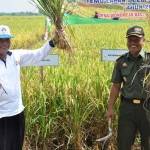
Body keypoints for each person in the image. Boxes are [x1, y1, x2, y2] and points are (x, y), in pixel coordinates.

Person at [0, 25, 56, 150]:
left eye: (7, 40)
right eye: (1, 40)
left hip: (18, 112)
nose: (4, 43)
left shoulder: (15, 55)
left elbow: (38, 55)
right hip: (2, 116)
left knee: (16, 146)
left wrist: (53, 42)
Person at [106, 25, 150, 150]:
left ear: (143, 40)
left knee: (148, 145)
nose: (132, 43)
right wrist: (110, 108)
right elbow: (115, 86)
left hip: (147, 108)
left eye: (136, 40)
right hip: (127, 109)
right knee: (123, 144)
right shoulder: (121, 61)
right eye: (130, 40)